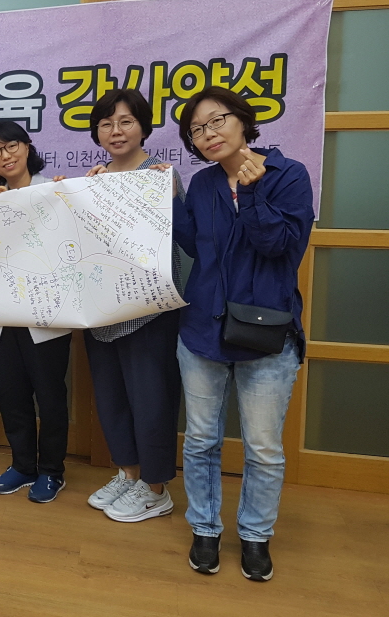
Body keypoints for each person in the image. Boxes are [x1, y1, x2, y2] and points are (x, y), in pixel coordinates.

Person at [173, 86, 313, 582]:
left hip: (266, 336)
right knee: (200, 440)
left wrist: (252, 194)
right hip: (203, 331)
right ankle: (205, 528)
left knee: (263, 447)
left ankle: (255, 535)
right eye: (197, 129)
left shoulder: (288, 174)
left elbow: (281, 248)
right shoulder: (204, 183)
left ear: (242, 120)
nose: (208, 134)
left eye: (217, 121)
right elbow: (194, 245)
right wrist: (159, 198)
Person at [80, 89, 185, 523]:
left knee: (151, 398)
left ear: (143, 127)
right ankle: (129, 473)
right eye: (106, 123)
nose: (116, 130)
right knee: (111, 397)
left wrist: (168, 195)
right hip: (101, 308)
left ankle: (156, 488)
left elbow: (183, 238)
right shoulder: (94, 181)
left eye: (125, 121)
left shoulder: (161, 176)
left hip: (149, 310)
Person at [0, 121, 72, 503]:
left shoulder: (53, 190)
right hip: (4, 311)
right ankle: (22, 464)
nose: (5, 156)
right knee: (11, 394)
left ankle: (51, 470)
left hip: (46, 312)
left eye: (11, 146)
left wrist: (64, 201)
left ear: (27, 146)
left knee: (49, 395)